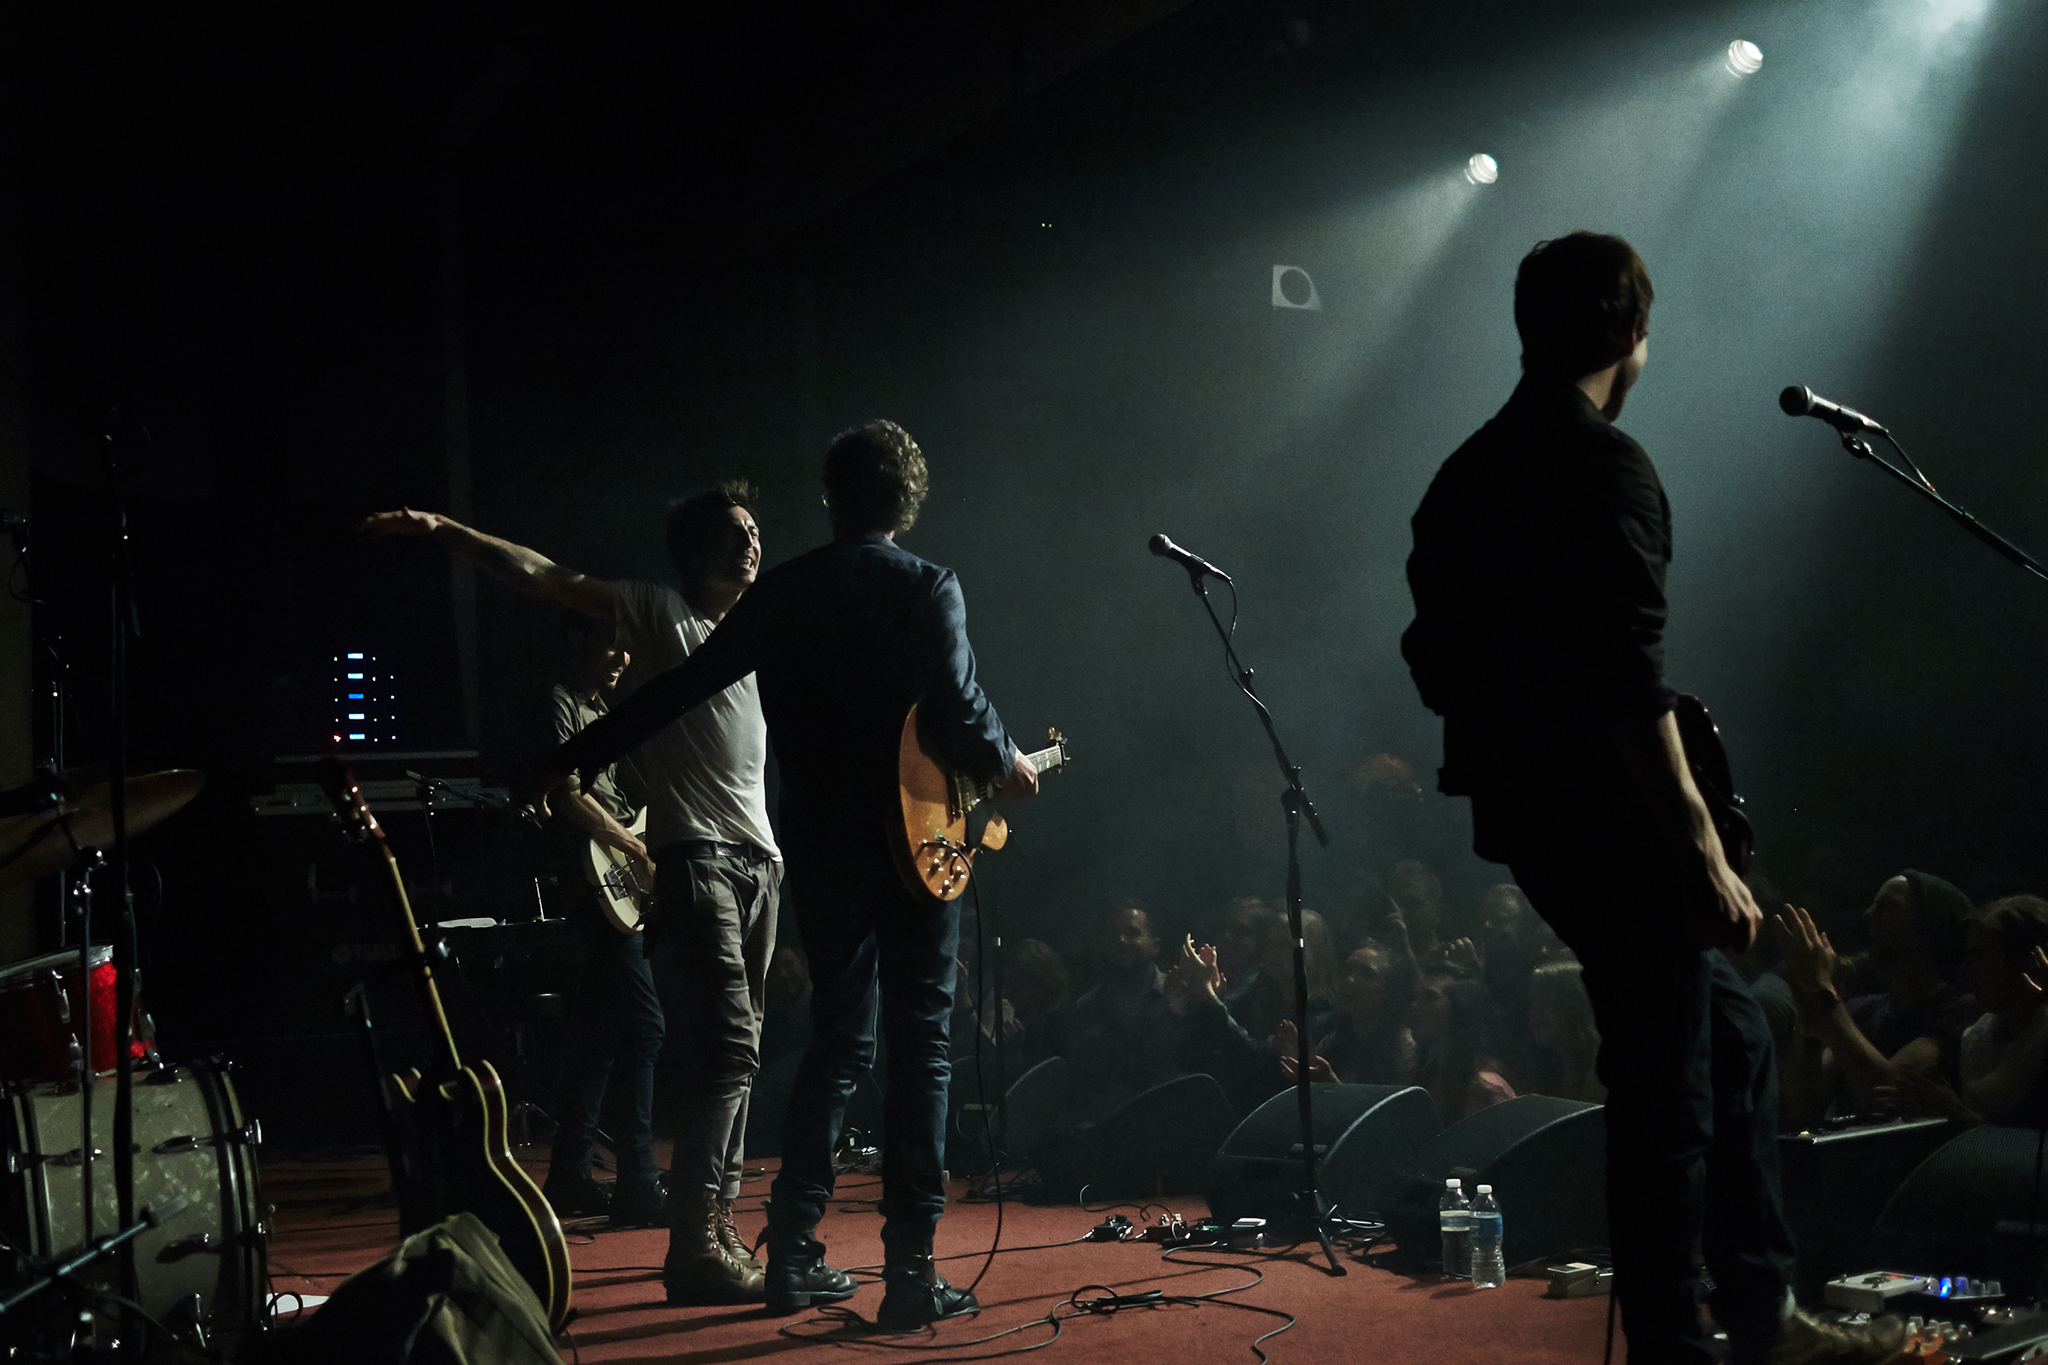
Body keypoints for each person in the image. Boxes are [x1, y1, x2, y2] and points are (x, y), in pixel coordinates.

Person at [1400, 232, 1901, 1363]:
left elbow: (1429, 658)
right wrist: (1700, 849)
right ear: (1630, 331)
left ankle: (1760, 1308)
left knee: (1726, 1040)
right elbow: (1629, 684)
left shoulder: (1462, 476)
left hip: (1530, 817)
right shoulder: (1603, 467)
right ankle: (1679, 1337)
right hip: (1617, 817)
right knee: (1665, 1081)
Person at [535, 420, 1037, 1329]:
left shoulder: (791, 587)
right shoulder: (929, 585)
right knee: (920, 1039)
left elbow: (680, 686)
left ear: (831, 498)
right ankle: (911, 1272)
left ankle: (794, 1252)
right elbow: (960, 704)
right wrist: (1008, 759)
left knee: (841, 1039)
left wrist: (573, 753)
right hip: (916, 848)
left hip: (819, 846)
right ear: (906, 500)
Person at [361, 482, 782, 1306]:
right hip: (698, 855)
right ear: (694, 554)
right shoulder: (662, 613)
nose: (751, 544)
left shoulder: (751, 638)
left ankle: (720, 1229)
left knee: (745, 1051)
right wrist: (444, 526)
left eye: (755, 532)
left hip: (761, 858)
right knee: (727, 1046)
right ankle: (696, 1239)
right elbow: (545, 577)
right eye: (733, 534)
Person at [533, 613, 665, 1224]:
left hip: (613, 883)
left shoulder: (605, 715)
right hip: (591, 885)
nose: (622, 660)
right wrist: (634, 846)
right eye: (612, 647)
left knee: (600, 1036)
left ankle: (570, 1173)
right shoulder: (559, 703)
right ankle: (639, 1179)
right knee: (645, 1028)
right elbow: (561, 791)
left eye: (628, 652)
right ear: (578, 639)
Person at [1775, 871, 1976, 1127]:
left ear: (1930, 925)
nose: (1868, 915)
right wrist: (1809, 1019)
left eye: (1888, 907)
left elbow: (1886, 1096)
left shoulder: (1962, 1010)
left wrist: (1824, 992)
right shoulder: (1862, 1010)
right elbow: (1799, 1110)